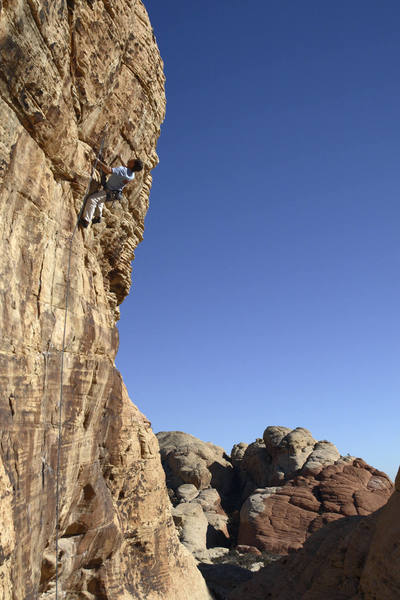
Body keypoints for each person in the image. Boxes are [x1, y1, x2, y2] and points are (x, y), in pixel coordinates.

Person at [79, 158, 144, 228]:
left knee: (92, 200)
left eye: (133, 160)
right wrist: (121, 159)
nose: (131, 159)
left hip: (109, 191)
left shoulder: (123, 170)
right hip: (114, 194)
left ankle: (86, 221)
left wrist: (99, 162)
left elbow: (108, 170)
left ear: (133, 164)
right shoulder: (132, 175)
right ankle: (98, 217)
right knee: (100, 200)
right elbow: (126, 168)